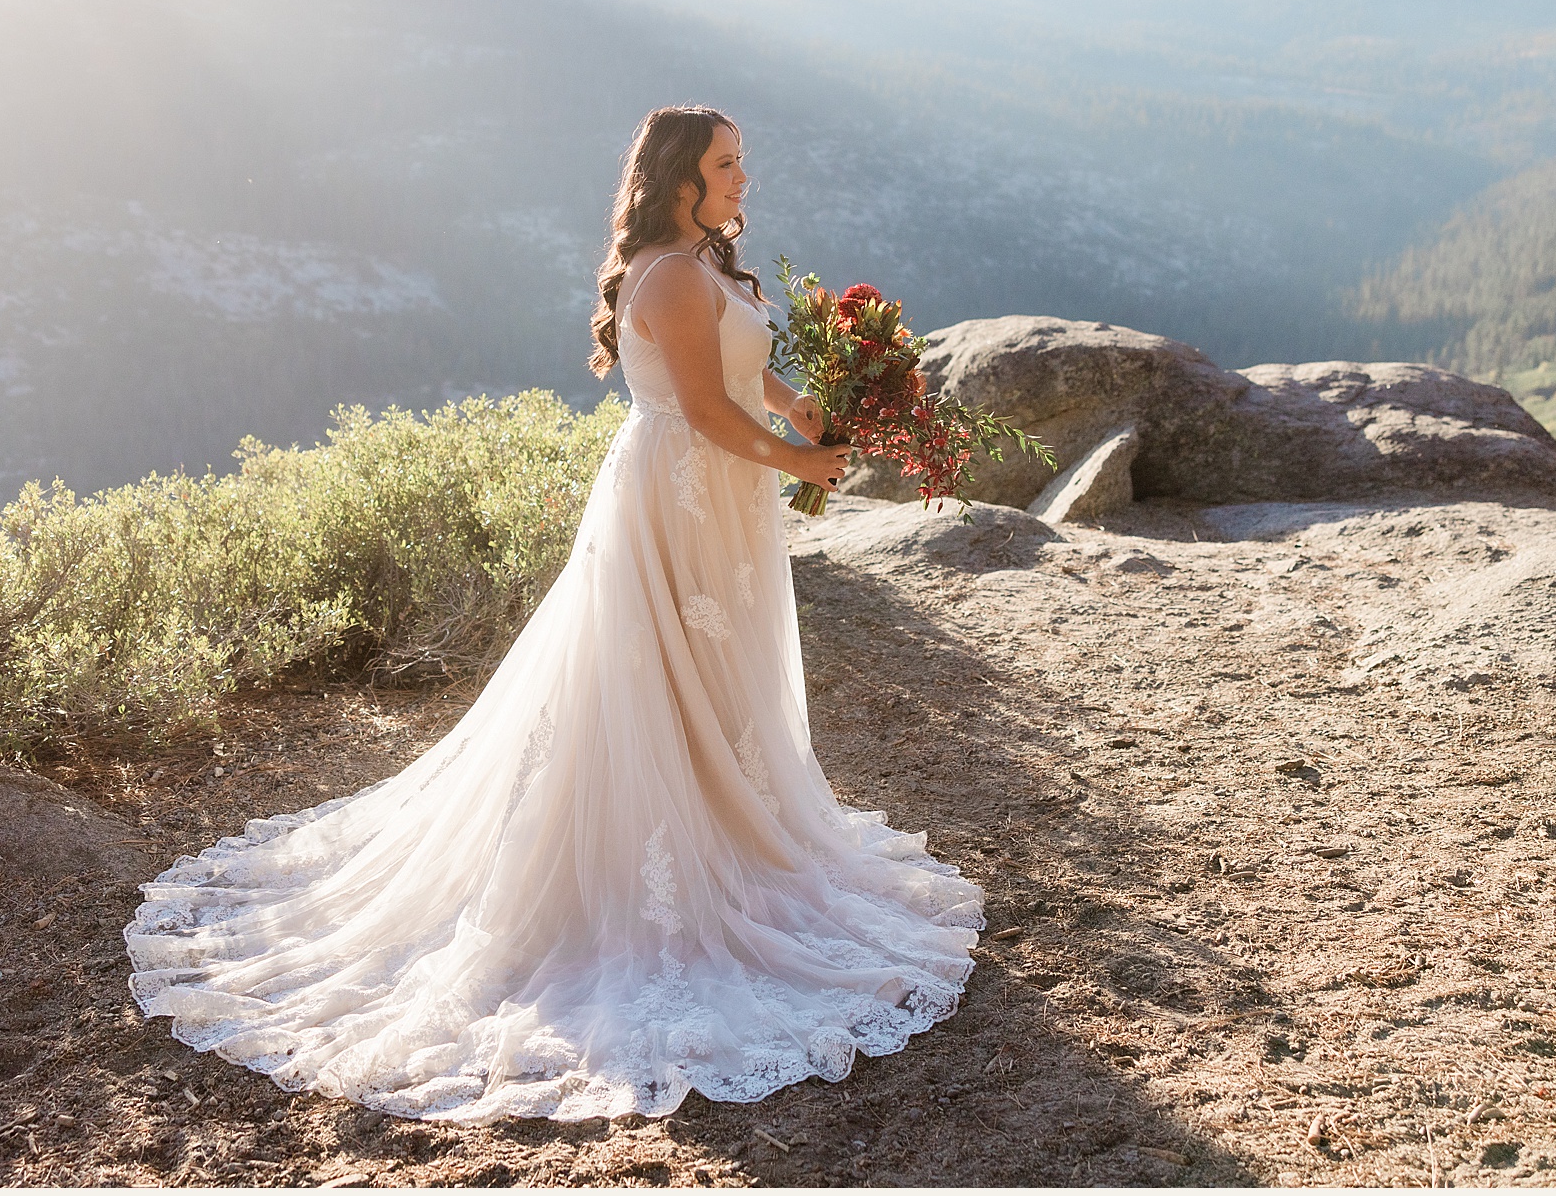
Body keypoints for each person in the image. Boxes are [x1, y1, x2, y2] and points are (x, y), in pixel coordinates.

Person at [125, 104, 982, 1123]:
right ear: (678, 181)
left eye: (740, 164)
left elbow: (741, 374)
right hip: (678, 490)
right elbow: (704, 409)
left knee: (712, 673)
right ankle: (658, 868)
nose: (742, 180)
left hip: (720, 496)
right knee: (661, 673)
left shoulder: (700, 261)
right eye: (725, 165)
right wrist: (798, 459)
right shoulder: (666, 275)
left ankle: (731, 827)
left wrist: (797, 405)